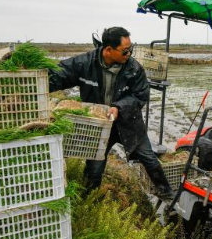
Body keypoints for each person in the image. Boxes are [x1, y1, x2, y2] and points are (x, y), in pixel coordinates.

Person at [48, 26, 174, 196]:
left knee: (149, 158)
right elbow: (58, 76)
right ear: (108, 49)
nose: (129, 54)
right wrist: (34, 72)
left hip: (128, 123)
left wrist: (119, 108)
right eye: (125, 51)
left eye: (131, 49)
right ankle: (89, 199)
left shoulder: (134, 68)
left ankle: (166, 192)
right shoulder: (84, 64)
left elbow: (141, 95)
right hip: (99, 125)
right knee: (94, 167)